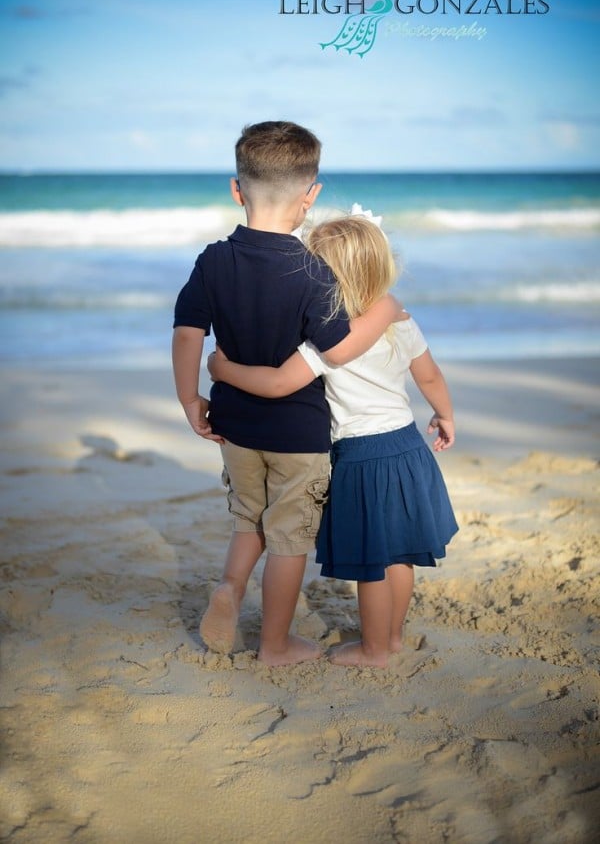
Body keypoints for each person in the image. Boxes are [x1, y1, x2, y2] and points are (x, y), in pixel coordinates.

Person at [172, 122, 404, 666]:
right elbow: (339, 350)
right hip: (297, 434)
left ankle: (229, 587)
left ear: (237, 189)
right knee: (289, 538)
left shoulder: (212, 260)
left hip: (234, 423)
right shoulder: (313, 270)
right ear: (311, 195)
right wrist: (384, 309)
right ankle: (274, 644)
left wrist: (190, 399)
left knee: (248, 517)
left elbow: (187, 333)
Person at [208, 214, 459, 668]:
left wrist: (222, 370)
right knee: (399, 554)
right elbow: (430, 374)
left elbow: (280, 383)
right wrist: (444, 414)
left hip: (361, 456)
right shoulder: (401, 321)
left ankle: (374, 649)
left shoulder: (326, 338)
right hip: (406, 449)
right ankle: (394, 639)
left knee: (371, 563)